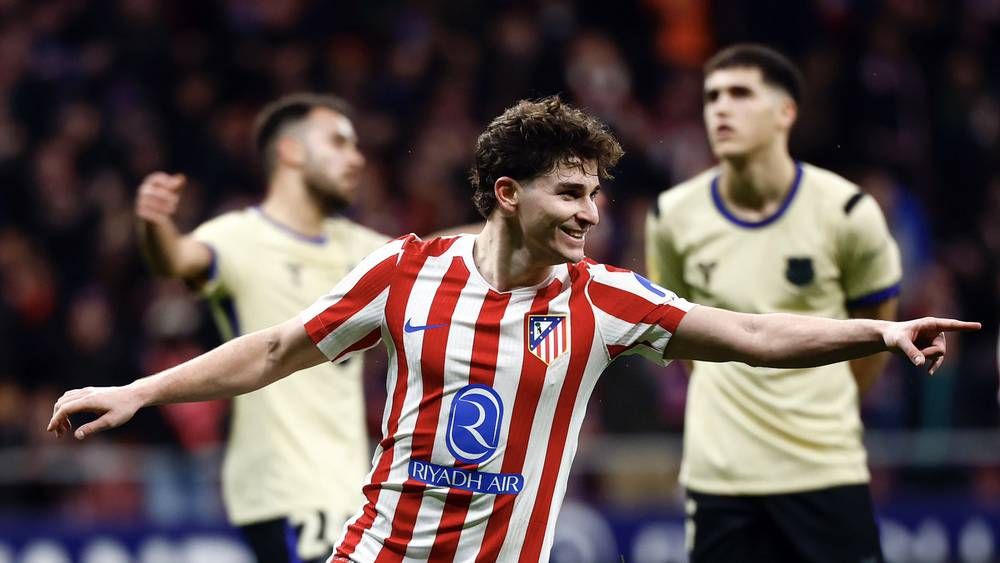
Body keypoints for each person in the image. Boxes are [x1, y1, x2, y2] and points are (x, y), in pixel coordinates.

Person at [53, 96, 977, 563]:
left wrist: (876, 334)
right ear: (508, 193)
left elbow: (749, 334)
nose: (590, 213)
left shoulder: (605, 300)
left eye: (596, 194)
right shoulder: (406, 271)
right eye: (570, 192)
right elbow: (271, 349)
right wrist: (138, 390)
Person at [645, 44, 904, 562]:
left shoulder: (848, 213)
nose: (721, 108)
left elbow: (876, 336)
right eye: (712, 96)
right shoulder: (671, 216)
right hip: (719, 478)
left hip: (825, 469)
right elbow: (679, 335)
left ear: (785, 112)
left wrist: (819, 402)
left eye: (740, 94)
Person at [134, 93, 389, 563]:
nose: (356, 158)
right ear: (291, 151)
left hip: (354, 494)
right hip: (285, 493)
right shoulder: (237, 237)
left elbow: (448, 250)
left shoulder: (361, 248)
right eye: (338, 143)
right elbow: (176, 258)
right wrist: (155, 224)